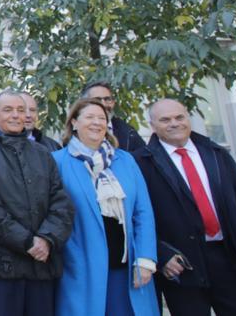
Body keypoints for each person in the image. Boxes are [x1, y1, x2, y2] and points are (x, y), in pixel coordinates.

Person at [133, 99, 236, 316]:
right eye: (165, 120)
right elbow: (137, 217)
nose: (174, 123)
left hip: (231, 258)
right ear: (152, 125)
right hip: (181, 265)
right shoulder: (141, 163)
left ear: (188, 118)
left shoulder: (215, 153)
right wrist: (161, 253)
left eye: (179, 117)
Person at [0, 91, 74, 315]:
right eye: (8, 110)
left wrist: (46, 239)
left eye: (21, 110)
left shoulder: (43, 153)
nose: (16, 115)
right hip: (2, 267)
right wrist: (28, 242)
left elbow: (61, 202)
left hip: (43, 263)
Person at [52, 99, 158, 316]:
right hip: (82, 269)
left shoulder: (125, 160)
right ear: (74, 122)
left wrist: (146, 259)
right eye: (89, 117)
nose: (97, 123)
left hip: (128, 268)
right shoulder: (57, 162)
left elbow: (143, 212)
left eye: (102, 118)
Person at [82, 82, 148, 152]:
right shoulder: (73, 131)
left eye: (107, 99)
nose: (103, 104)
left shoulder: (128, 133)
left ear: (113, 103)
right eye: (97, 100)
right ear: (84, 103)